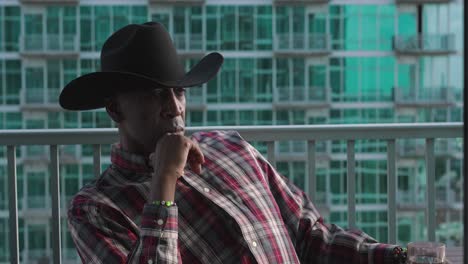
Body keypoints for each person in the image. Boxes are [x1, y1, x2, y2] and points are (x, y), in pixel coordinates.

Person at [61, 22, 407, 264]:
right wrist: (163, 184)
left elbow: (310, 237)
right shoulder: (95, 209)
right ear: (114, 109)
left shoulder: (232, 149)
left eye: (179, 91)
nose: (175, 107)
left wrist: (400, 257)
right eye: (155, 95)